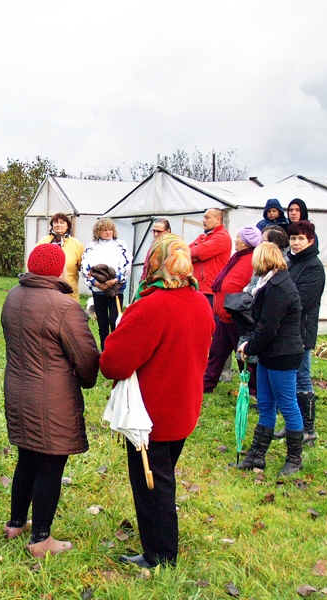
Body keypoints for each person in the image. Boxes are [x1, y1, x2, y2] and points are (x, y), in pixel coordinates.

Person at [100, 233, 214, 568]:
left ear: (154, 263)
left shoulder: (150, 307)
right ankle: (159, 542)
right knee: (162, 478)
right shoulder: (199, 302)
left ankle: (160, 555)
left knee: (154, 486)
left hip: (152, 415)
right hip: (183, 408)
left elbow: (113, 364)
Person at [1, 243, 99, 558]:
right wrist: (88, 378)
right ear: (58, 269)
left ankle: (16, 523)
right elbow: (85, 356)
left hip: (18, 389)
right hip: (51, 397)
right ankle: (41, 539)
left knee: (27, 457)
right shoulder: (63, 305)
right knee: (51, 464)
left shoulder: (14, 295)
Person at [234, 242, 304, 476]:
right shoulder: (270, 283)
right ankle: (256, 456)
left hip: (283, 354)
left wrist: (249, 346)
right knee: (265, 404)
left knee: (287, 405)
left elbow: (268, 326)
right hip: (269, 353)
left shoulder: (279, 287)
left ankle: (295, 458)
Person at [272, 221, 325, 445]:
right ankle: (293, 424)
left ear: (310, 241)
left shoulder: (313, 266)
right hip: (288, 329)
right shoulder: (292, 263)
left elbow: (305, 300)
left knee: (302, 378)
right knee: (291, 380)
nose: (295, 242)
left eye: (300, 239)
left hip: (302, 330)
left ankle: (308, 429)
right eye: (293, 238)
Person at [203, 225, 261, 396]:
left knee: (244, 356)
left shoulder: (253, 260)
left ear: (246, 242)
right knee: (216, 352)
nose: (235, 240)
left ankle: (254, 390)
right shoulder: (237, 257)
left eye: (238, 237)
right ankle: (206, 383)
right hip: (224, 316)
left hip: (237, 316)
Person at [80, 217, 130, 350]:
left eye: (110, 229)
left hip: (116, 290)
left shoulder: (120, 245)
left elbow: (125, 265)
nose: (108, 232)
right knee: (102, 323)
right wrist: (96, 283)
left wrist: (116, 280)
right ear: (98, 232)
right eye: (104, 230)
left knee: (115, 321)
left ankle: (115, 350)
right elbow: (85, 268)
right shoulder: (91, 247)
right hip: (98, 291)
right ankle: (104, 351)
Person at [36, 212, 85, 303]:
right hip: (46, 286)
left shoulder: (76, 244)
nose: (58, 225)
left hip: (69, 288)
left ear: (68, 226)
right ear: (52, 225)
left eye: (62, 222)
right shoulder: (43, 242)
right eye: (56, 222)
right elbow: (35, 263)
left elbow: (83, 266)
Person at [189, 208, 232, 306]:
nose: (203, 220)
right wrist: (194, 255)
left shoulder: (222, 237)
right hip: (198, 288)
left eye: (207, 218)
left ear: (218, 220)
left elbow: (199, 252)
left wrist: (195, 256)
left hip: (210, 290)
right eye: (204, 217)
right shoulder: (202, 237)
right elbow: (185, 252)